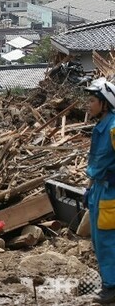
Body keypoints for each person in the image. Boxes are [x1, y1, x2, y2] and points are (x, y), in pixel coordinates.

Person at [84, 77, 115, 304]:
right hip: (98, 191)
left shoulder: (113, 129)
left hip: (111, 192)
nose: (88, 104)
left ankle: (111, 286)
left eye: (93, 100)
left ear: (105, 103)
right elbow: (95, 163)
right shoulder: (100, 128)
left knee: (107, 241)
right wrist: (88, 188)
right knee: (98, 240)